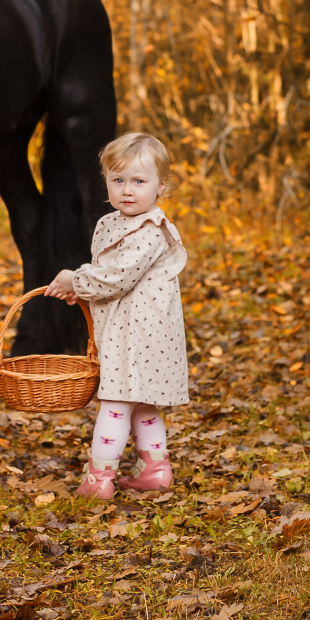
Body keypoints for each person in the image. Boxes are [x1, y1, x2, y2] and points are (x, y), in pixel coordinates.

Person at [45, 132, 188, 499]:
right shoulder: (111, 222)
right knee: (141, 402)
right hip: (124, 325)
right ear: (106, 181)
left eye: (139, 181)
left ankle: (99, 479)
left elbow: (117, 276)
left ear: (161, 186)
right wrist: (82, 289)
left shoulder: (151, 230)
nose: (127, 190)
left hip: (142, 333)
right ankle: (155, 470)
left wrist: (74, 279)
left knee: (116, 402)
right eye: (118, 180)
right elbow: (106, 271)